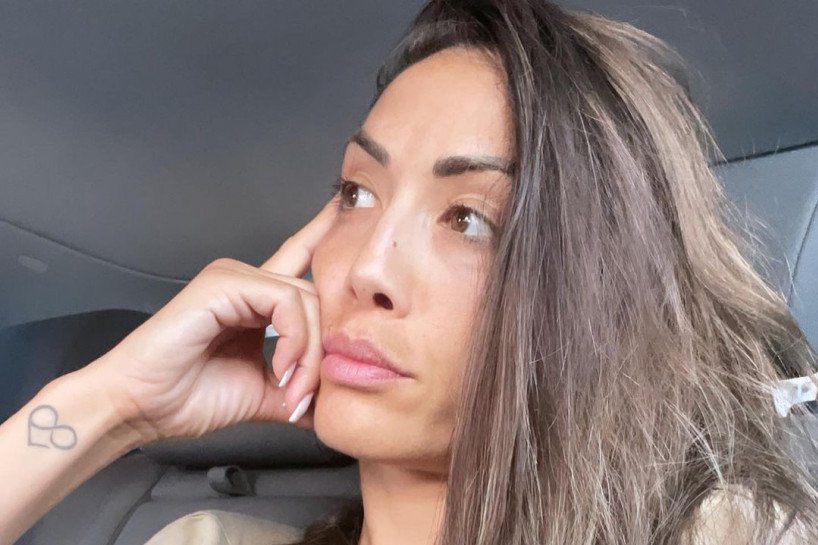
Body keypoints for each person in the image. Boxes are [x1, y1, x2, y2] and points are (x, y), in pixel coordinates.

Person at [2, 0, 817, 544]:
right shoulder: (207, 538)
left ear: (600, 305)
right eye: (356, 193)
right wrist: (108, 407)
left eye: (470, 219)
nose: (368, 268)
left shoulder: (726, 529)